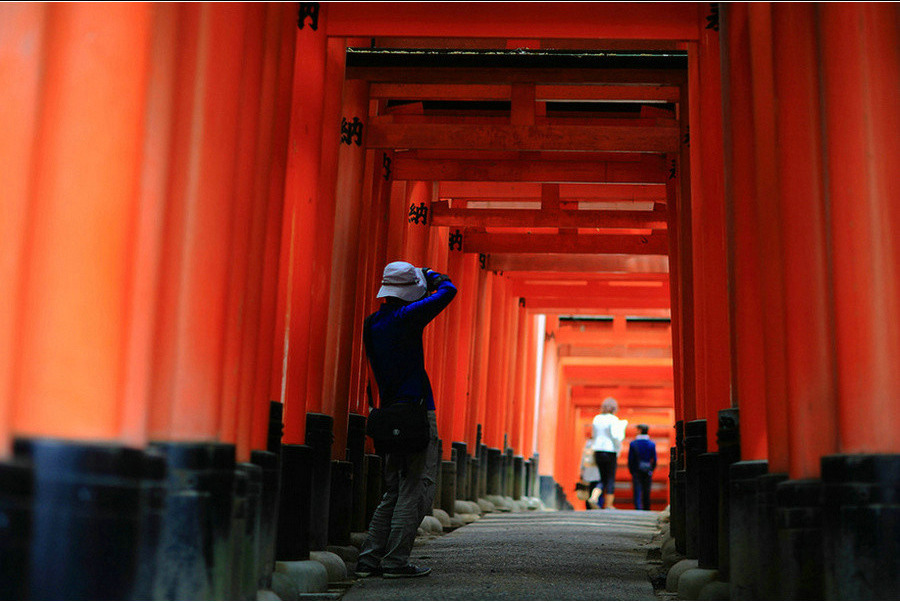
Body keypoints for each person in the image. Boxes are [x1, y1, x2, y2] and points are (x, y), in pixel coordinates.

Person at [356, 261, 457, 579]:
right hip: (415, 412)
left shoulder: (372, 322)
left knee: (394, 490)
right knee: (415, 488)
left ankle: (369, 558)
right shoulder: (407, 317)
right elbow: (449, 290)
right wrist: (430, 275)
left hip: (388, 415)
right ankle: (396, 561)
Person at [590, 397, 627, 509]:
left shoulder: (596, 418)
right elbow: (616, 436)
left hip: (598, 450)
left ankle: (594, 497)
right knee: (610, 477)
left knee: (601, 477)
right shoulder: (614, 420)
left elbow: (593, 435)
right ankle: (609, 504)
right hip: (610, 451)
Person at [628, 423, 657, 511]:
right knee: (647, 490)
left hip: (637, 470)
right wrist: (652, 469)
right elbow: (654, 459)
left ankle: (638, 508)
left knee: (637, 490)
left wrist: (632, 470)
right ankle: (647, 508)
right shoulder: (651, 444)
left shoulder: (633, 444)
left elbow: (630, 459)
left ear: (640, 431)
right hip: (647, 469)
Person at [579, 437, 602, 510]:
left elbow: (583, 457)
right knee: (599, 484)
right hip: (596, 467)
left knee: (589, 486)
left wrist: (581, 468)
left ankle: (588, 505)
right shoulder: (602, 443)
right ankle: (594, 498)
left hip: (587, 467)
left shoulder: (588, 443)